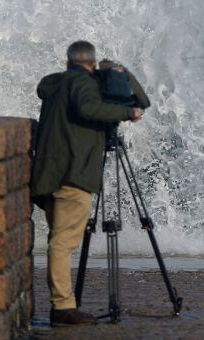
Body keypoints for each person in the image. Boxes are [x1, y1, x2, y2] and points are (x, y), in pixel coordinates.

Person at [31, 41, 144, 326]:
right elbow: (90, 107)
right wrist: (125, 109)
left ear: (67, 62)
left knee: (59, 238)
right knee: (62, 242)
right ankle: (63, 308)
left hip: (50, 173)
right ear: (91, 65)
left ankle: (63, 303)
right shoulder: (83, 84)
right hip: (73, 174)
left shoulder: (57, 85)